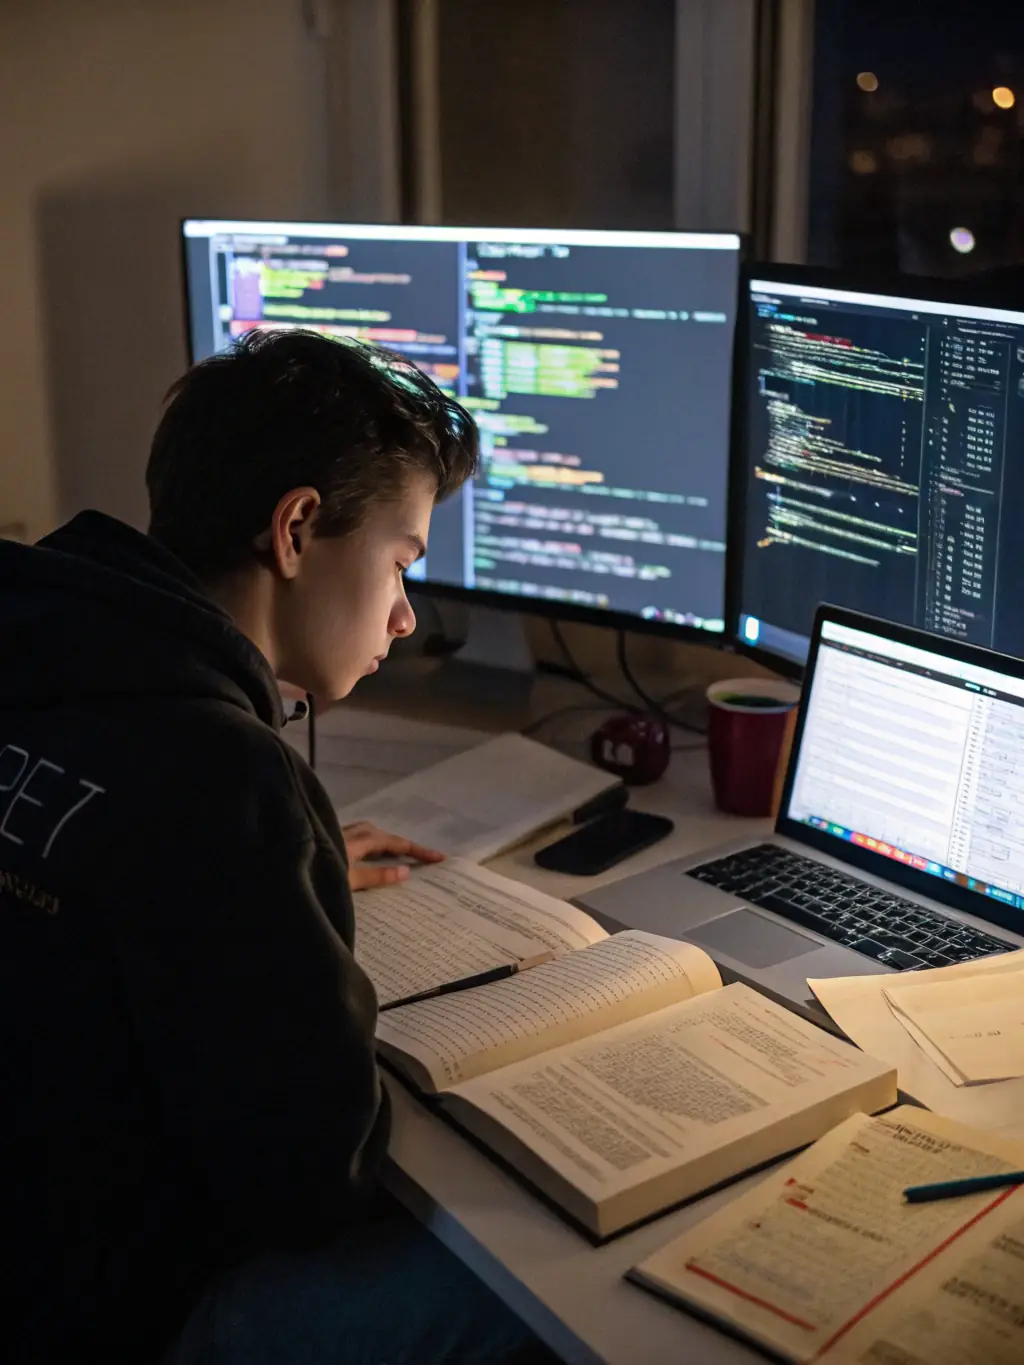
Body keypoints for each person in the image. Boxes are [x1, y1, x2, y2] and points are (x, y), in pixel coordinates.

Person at [0, 330, 555, 1365]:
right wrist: (273, 857)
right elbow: (314, 1185)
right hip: (112, 1317)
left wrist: (271, 870)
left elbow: (98, 856)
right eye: (400, 563)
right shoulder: (219, 780)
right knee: (551, 1289)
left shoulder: (38, 642)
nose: (402, 617)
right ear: (297, 528)